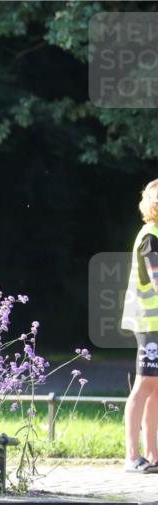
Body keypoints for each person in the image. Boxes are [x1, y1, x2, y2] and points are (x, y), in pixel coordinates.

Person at [121, 178, 158, 473]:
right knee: (144, 385)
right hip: (149, 322)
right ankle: (132, 456)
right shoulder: (151, 236)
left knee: (155, 389)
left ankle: (153, 455)